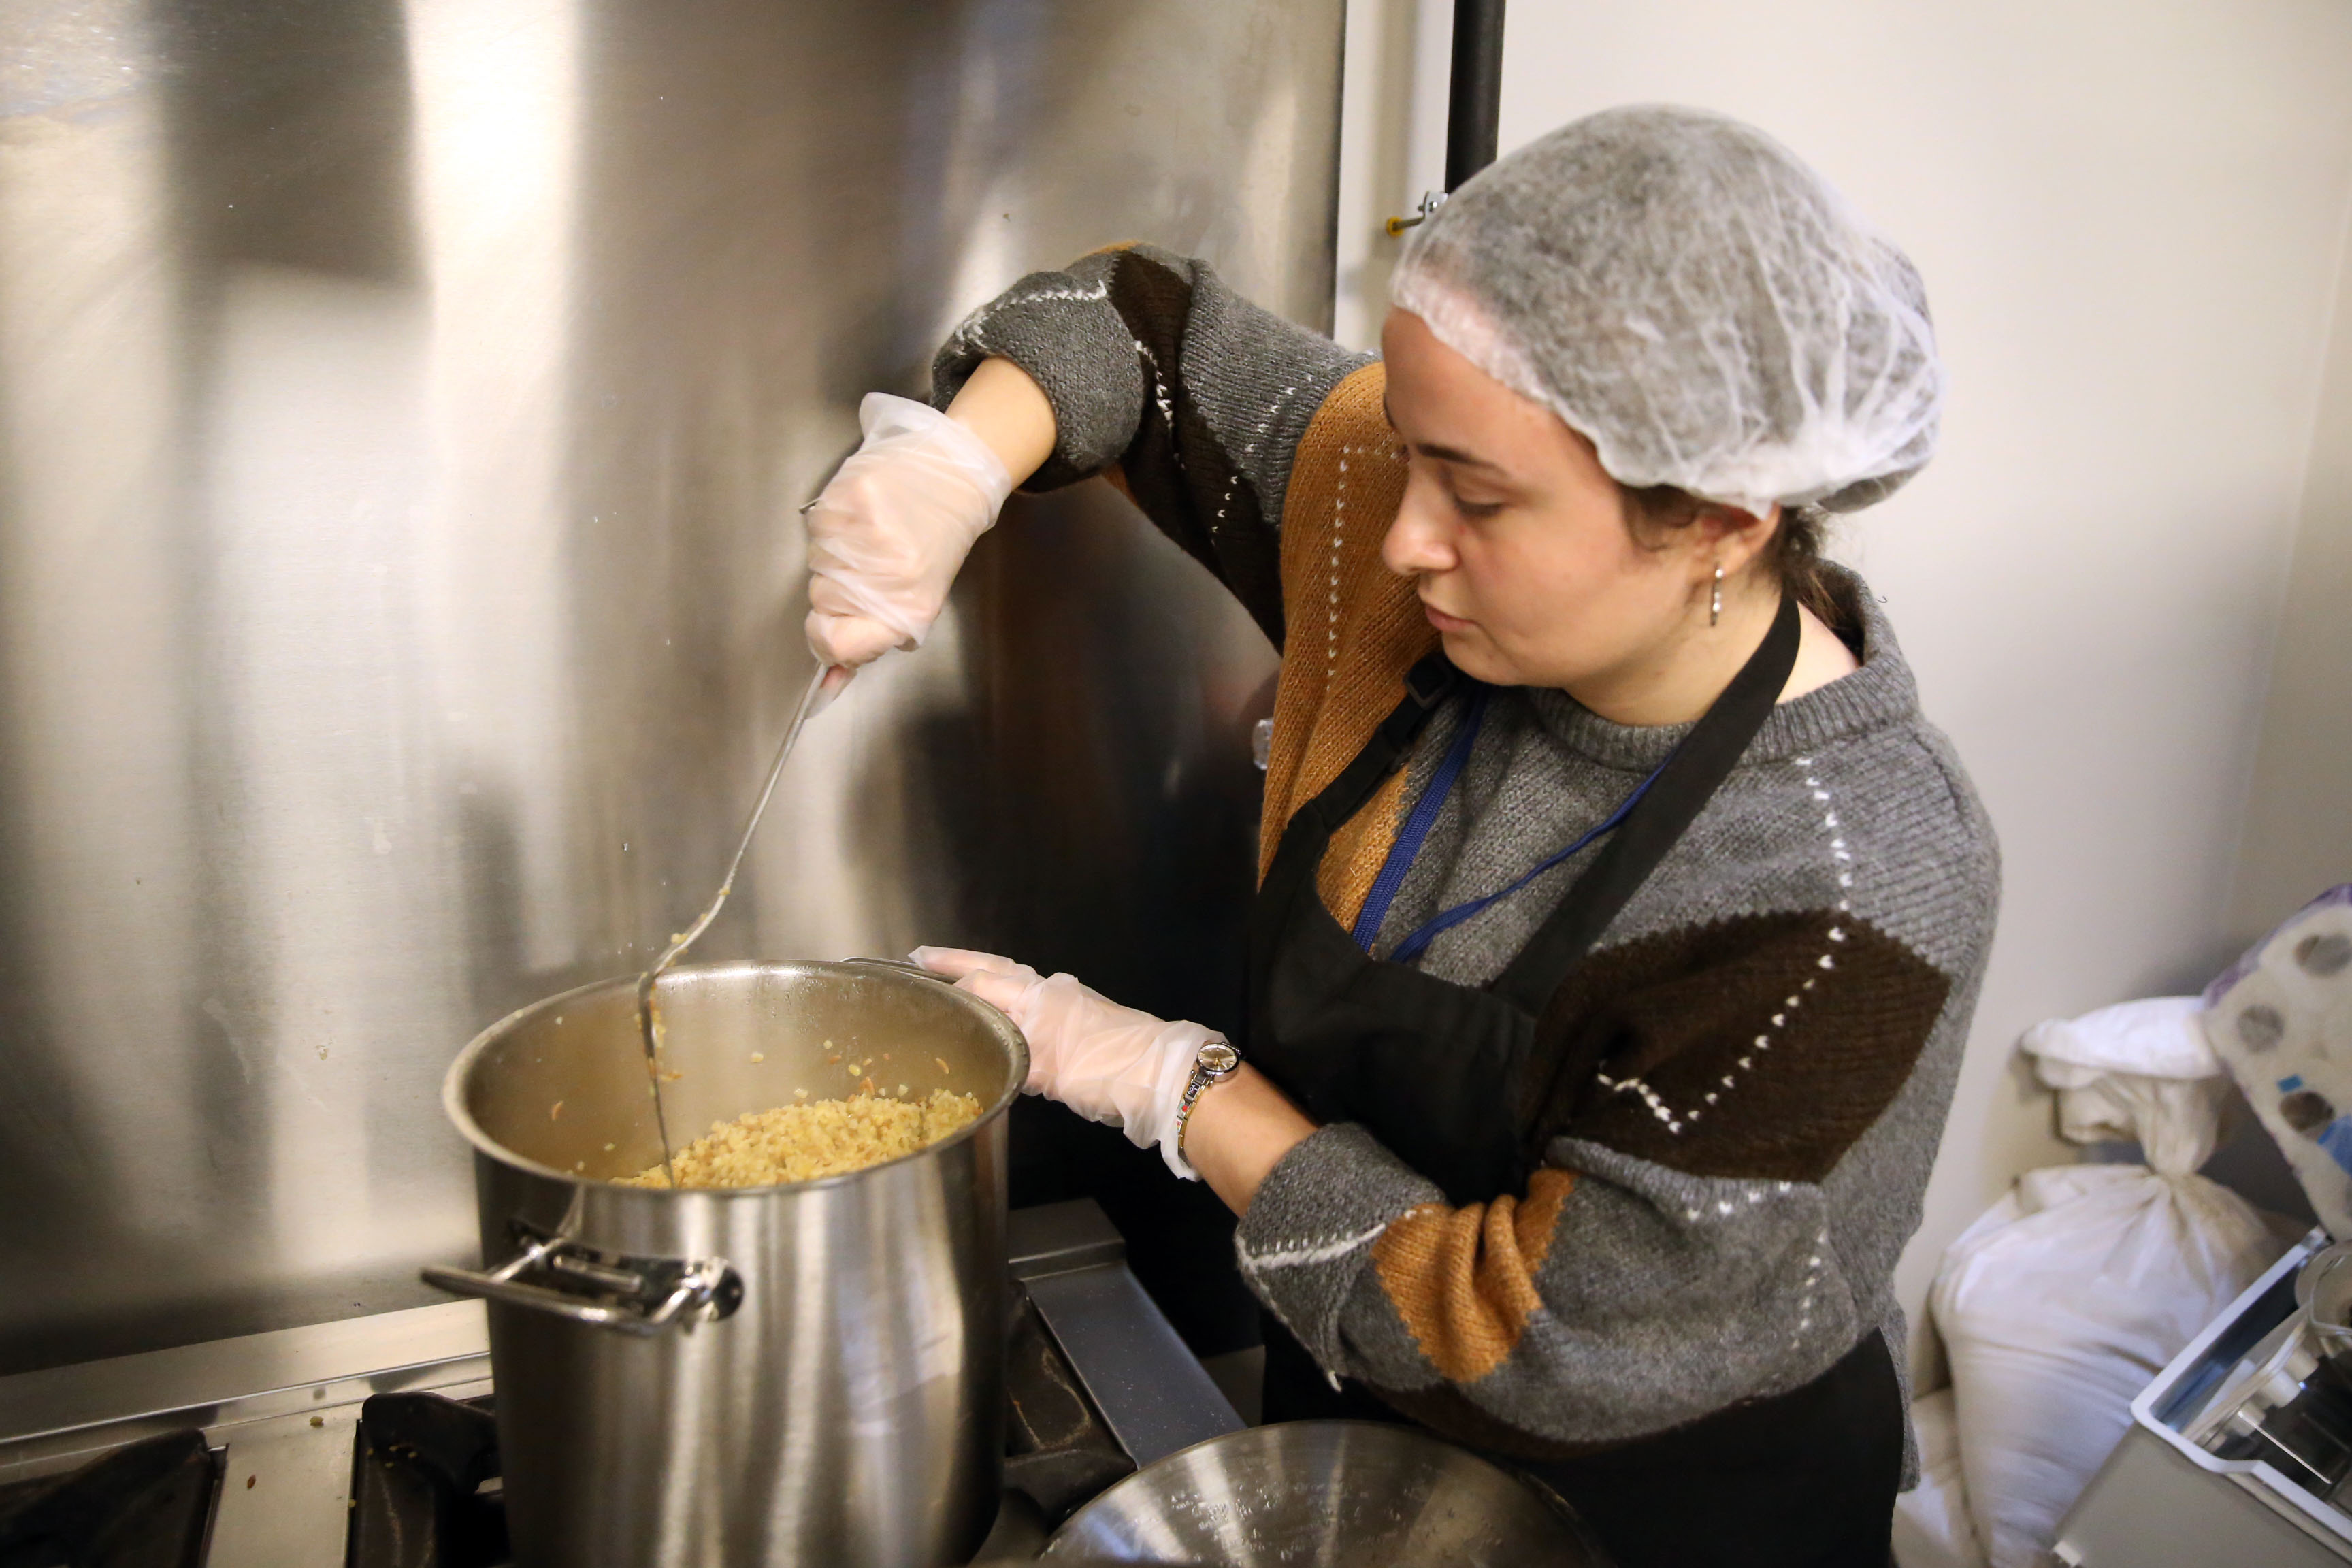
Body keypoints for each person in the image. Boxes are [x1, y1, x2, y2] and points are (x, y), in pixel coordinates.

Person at [801, 105, 1998, 1567]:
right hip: (1364, 1447)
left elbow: (1539, 1348)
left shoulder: (1845, 889)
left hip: (1658, 1513)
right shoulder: (1405, 495)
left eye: (1478, 497)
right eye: (1415, 450)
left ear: (1725, 523)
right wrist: (948, 472)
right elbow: (1116, 321)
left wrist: (1176, 1086)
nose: (1399, 536)